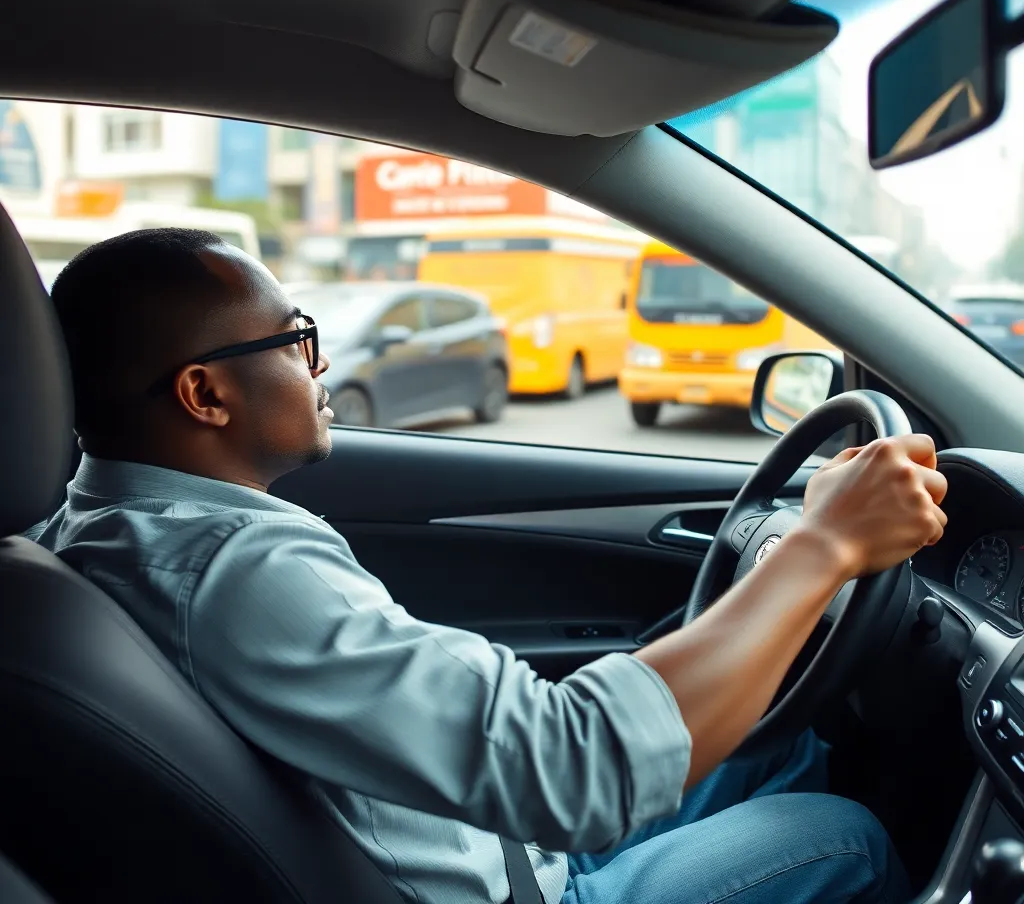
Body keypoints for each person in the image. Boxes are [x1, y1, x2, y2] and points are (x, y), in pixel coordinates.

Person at [30, 228, 947, 904]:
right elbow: (576, 769)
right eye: (296, 337)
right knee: (844, 837)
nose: (321, 366)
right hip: (516, 885)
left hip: (494, 836)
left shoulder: (104, 527)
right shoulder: (234, 568)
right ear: (206, 393)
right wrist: (824, 549)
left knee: (781, 748)